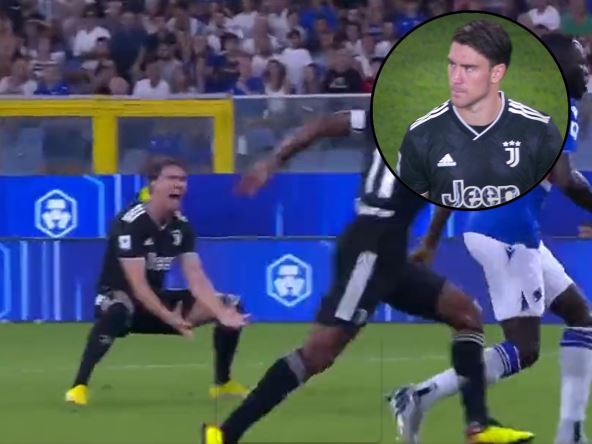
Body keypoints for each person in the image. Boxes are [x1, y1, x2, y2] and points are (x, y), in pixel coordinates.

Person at [201, 110, 534, 443]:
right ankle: (224, 434)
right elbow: (325, 124)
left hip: (390, 251)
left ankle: (478, 426)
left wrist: (430, 242)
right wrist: (274, 159)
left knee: (466, 315)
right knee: (318, 353)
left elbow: (323, 125)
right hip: (369, 247)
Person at [390, 33, 592, 444]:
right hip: (510, 232)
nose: (586, 70)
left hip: (489, 226)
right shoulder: (559, 106)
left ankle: (570, 431)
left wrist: (431, 239)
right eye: (580, 62)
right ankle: (420, 396)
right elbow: (565, 178)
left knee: (581, 317)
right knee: (524, 348)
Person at [65, 158, 250, 406]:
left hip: (155, 302)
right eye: (171, 178)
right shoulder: (130, 223)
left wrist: (221, 312)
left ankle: (222, 383)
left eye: (183, 180)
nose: (179, 185)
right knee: (119, 307)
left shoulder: (181, 227)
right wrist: (169, 317)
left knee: (231, 304)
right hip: (119, 298)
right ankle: (79, 386)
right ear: (153, 184)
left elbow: (196, 278)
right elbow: (137, 284)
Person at [396, 19, 563, 209]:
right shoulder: (421, 135)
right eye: (452, 64)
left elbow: (555, 202)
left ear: (496, 73)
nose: (455, 78)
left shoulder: (538, 130)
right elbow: (413, 213)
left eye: (469, 68)